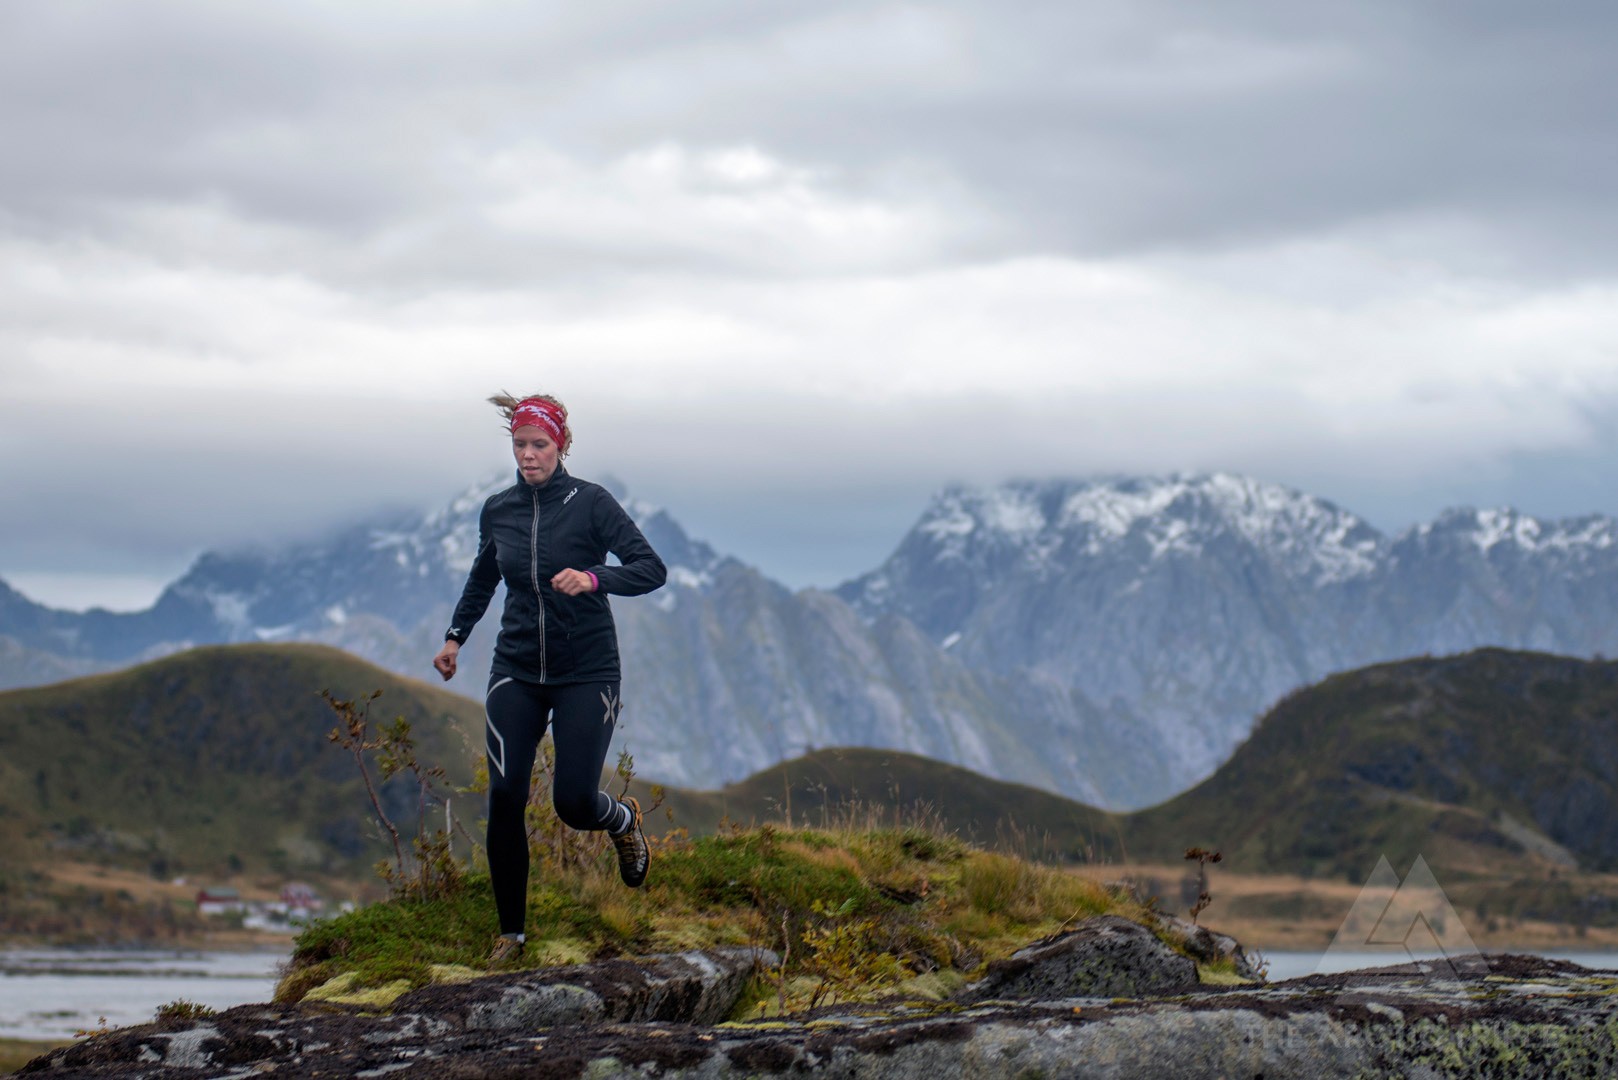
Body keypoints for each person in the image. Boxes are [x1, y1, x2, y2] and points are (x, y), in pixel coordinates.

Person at [432, 392, 667, 967]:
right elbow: (484, 576)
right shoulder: (499, 509)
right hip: (515, 669)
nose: (529, 455)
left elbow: (650, 570)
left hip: (586, 670)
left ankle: (622, 819)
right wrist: (455, 637)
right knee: (506, 796)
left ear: (562, 446)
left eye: (540, 445)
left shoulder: (591, 503)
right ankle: (510, 935)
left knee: (573, 803)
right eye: (520, 445)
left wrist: (593, 578)